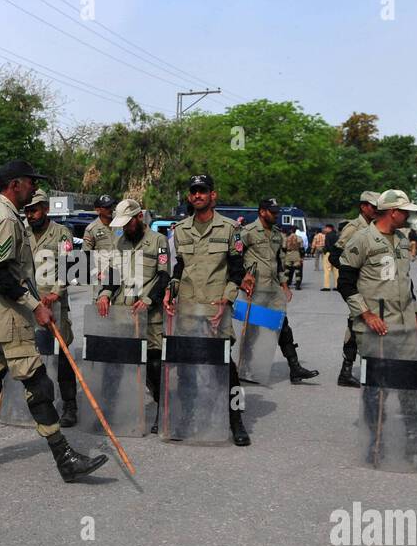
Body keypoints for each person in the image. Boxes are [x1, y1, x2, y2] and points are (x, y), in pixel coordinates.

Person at [0, 160, 107, 480]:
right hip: (9, 317)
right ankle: (64, 458)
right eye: (31, 182)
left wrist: (54, 294)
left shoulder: (53, 230)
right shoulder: (5, 218)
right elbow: (1, 274)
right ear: (15, 183)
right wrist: (35, 305)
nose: (35, 189)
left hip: (1, 316)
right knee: (38, 383)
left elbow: (73, 269)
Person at [338, 189, 417, 465]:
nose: (409, 216)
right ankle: (375, 442)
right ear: (392, 211)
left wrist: (414, 316)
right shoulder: (362, 239)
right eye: (406, 211)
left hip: (403, 326)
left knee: (410, 386)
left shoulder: (402, 239)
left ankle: (413, 441)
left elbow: (405, 281)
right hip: (376, 328)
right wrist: (365, 314)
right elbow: (345, 282)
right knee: (378, 388)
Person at [162, 173, 253, 446]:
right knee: (187, 367)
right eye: (194, 191)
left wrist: (227, 299)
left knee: (226, 367)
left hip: (216, 307)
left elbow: (237, 270)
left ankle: (236, 420)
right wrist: (171, 289)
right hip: (188, 308)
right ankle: (187, 418)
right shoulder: (180, 230)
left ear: (213, 195)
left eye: (203, 191)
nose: (198, 195)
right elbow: (179, 266)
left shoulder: (229, 229)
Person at [96, 198, 170, 431]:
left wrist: (148, 300)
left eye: (128, 223)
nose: (126, 228)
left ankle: (162, 410)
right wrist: (105, 293)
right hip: (123, 313)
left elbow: (164, 276)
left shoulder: (158, 242)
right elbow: (113, 274)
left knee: (153, 365)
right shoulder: (120, 243)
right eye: (123, 224)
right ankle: (116, 409)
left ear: (139, 218)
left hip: (149, 315)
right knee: (119, 364)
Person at [239, 198, 318, 383]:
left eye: (277, 212)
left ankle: (294, 367)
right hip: (254, 289)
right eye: (273, 212)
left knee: (283, 326)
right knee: (251, 331)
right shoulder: (247, 232)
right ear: (262, 212)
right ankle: (245, 368)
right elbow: (234, 257)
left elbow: (279, 262)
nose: (276, 215)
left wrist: (284, 286)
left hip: (273, 289)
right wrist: (243, 277)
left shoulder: (276, 234)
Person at [23, 188, 79, 426]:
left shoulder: (62, 233)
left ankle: (70, 405)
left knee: (63, 355)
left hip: (54, 305)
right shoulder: (23, 233)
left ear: (45, 208)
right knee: (31, 356)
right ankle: (38, 403)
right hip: (28, 304)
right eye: (27, 211)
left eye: (34, 210)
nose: (30, 215)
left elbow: (70, 267)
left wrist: (57, 291)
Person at [330, 191, 380, 386]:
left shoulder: (376, 227)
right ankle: (347, 370)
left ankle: (351, 370)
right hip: (357, 287)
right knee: (356, 324)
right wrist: (352, 272)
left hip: (373, 287)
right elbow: (335, 255)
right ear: (363, 207)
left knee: (359, 324)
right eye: (373, 206)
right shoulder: (354, 228)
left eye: (378, 207)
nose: (376, 210)